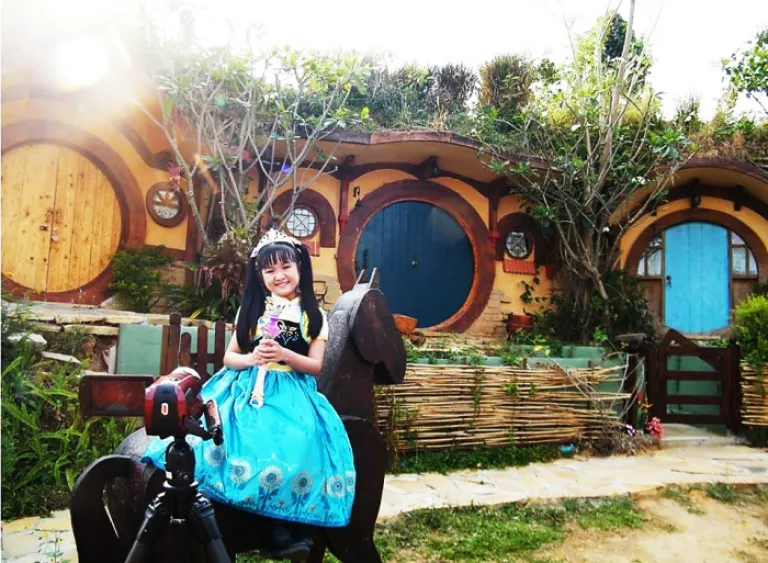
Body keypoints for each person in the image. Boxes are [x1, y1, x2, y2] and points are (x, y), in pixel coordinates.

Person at [141, 227, 356, 560]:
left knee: (300, 436)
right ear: (260, 276)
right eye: (270, 270)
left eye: (285, 267)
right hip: (244, 386)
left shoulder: (313, 316)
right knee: (237, 432)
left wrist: (284, 354)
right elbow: (230, 357)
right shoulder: (253, 311)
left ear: (300, 267)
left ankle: (280, 521)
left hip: (291, 390)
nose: (279, 276)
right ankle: (221, 510)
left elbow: (315, 366)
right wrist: (253, 358)